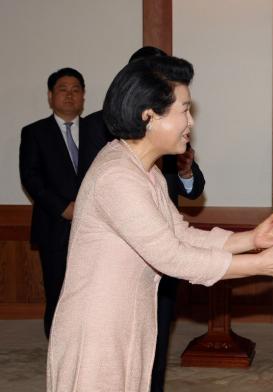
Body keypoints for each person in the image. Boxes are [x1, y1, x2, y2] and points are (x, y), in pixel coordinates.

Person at [46, 56, 273, 392]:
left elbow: (179, 234)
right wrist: (262, 264)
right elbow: (172, 257)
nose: (190, 121)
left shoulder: (146, 170)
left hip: (127, 320)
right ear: (149, 116)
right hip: (97, 327)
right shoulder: (117, 176)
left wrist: (250, 239)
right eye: (184, 110)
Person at [84, 46, 206, 391]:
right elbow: (99, 187)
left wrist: (184, 170)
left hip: (160, 250)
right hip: (118, 255)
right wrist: (263, 263)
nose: (189, 121)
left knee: (152, 339)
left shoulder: (161, 154)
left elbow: (192, 190)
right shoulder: (109, 142)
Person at [19, 68, 106, 338]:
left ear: (83, 97)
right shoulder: (34, 133)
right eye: (62, 89)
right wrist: (64, 208)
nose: (69, 95)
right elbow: (31, 178)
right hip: (55, 227)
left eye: (76, 90)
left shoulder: (99, 131)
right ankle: (59, 352)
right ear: (50, 96)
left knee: (95, 294)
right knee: (58, 294)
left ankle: (90, 349)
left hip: (96, 228)